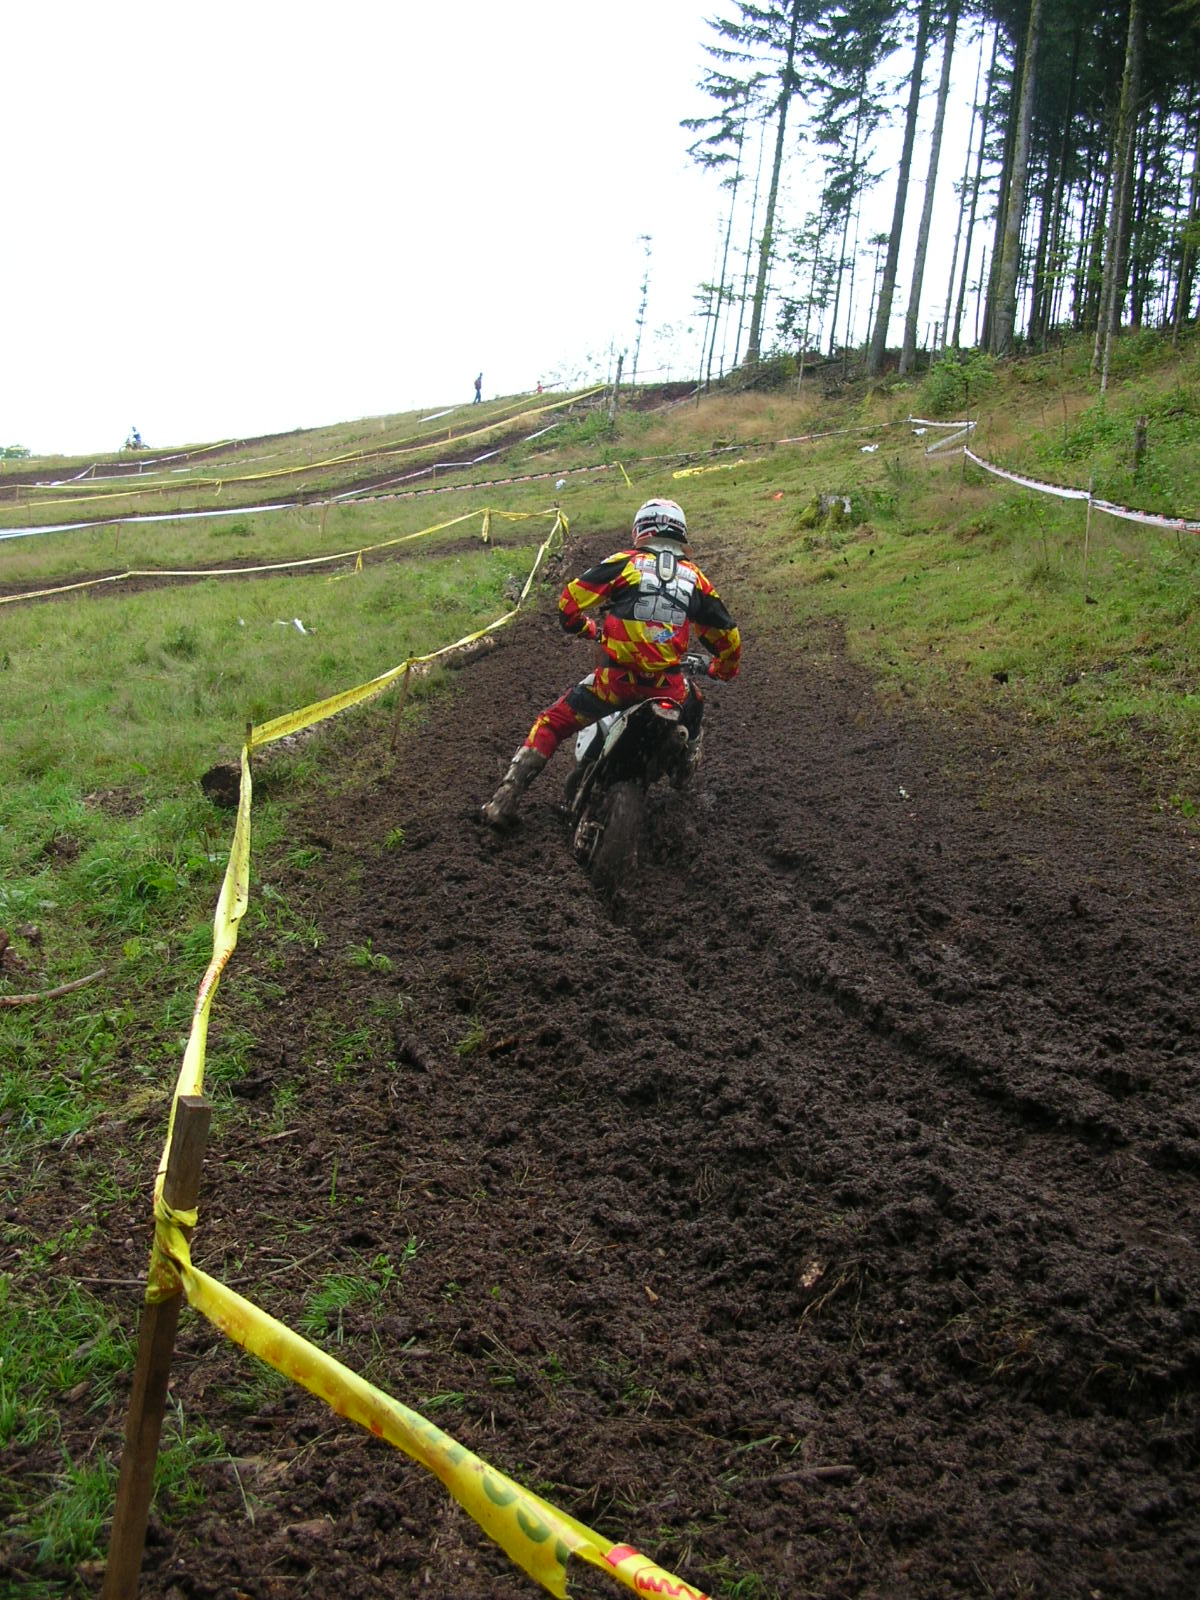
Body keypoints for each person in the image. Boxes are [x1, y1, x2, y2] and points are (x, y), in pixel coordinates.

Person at [482, 497, 740, 828]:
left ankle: (504, 800)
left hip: (614, 684)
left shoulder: (625, 564)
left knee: (551, 723)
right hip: (669, 689)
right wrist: (723, 669)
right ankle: (682, 764)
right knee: (696, 703)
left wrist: (587, 628)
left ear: (641, 529)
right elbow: (728, 637)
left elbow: (568, 603)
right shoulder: (697, 581)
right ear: (680, 533)